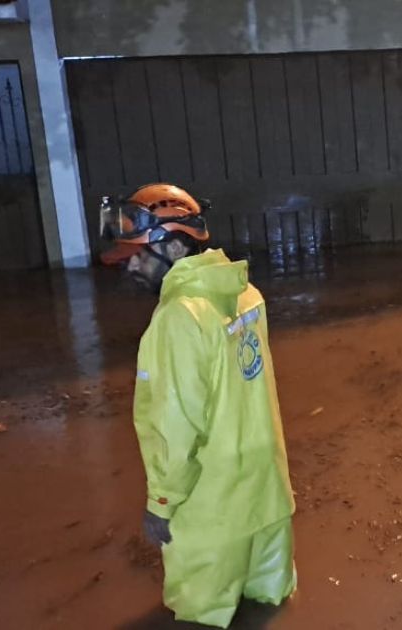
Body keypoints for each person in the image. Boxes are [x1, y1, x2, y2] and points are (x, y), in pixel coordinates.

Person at [99, 184, 297, 628]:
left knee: (199, 619)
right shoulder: (245, 293)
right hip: (267, 498)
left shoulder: (179, 318)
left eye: (136, 254)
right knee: (267, 608)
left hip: (213, 513)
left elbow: (174, 425)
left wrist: (161, 503)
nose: (127, 264)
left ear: (171, 245)